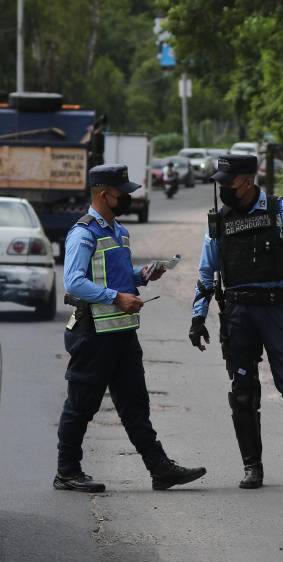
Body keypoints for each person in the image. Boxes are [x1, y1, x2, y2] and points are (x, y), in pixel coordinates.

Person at [55, 163, 206, 493]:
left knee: (136, 405)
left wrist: (143, 275)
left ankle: (160, 469)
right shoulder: (83, 233)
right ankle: (67, 471)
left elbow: (117, 276)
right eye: (123, 193)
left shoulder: (119, 231)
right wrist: (116, 298)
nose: (129, 198)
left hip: (122, 333)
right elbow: (74, 282)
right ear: (103, 194)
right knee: (81, 405)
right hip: (92, 333)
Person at [188, 154, 283, 492]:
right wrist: (198, 316)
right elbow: (206, 274)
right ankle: (252, 468)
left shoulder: (281, 211)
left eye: (228, 181)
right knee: (242, 394)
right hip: (238, 316)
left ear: (248, 181)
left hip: (277, 310)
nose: (222, 187)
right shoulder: (219, 222)